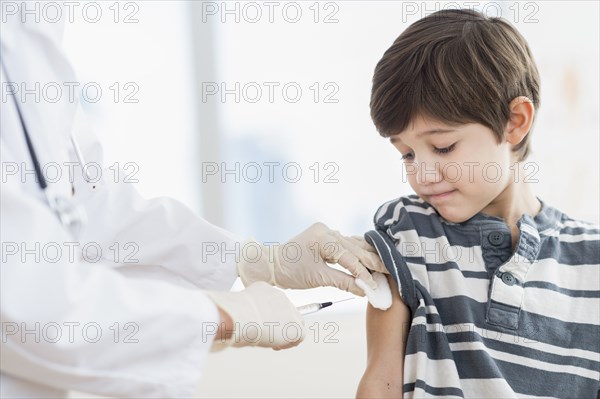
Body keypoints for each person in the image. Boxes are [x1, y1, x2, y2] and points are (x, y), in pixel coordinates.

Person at [0, 6, 386, 399]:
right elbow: (26, 304)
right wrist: (225, 317)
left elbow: (86, 211)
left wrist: (254, 260)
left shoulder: (30, 30)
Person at [356, 8, 600, 399]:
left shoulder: (592, 258)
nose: (423, 174)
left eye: (442, 147)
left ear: (515, 122)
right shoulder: (406, 234)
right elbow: (380, 382)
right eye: (407, 154)